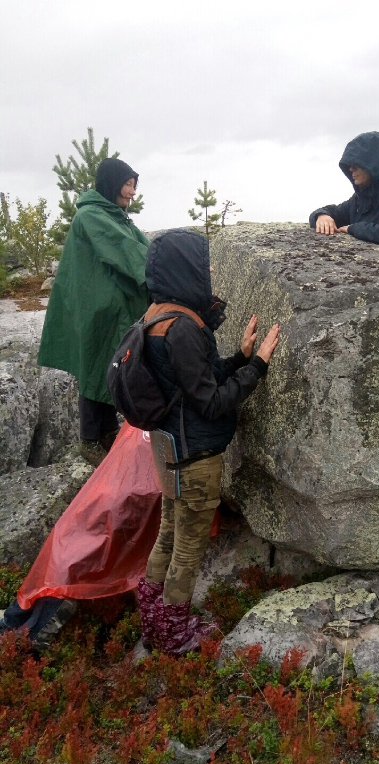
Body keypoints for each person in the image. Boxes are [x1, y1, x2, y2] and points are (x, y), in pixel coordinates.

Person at [136, 229, 280, 656]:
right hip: (195, 457)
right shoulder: (183, 327)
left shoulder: (157, 316)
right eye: (204, 263)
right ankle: (174, 633)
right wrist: (258, 367)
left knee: (167, 534)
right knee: (187, 547)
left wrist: (238, 358)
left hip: (169, 449)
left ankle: (153, 617)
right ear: (185, 267)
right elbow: (212, 402)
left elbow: (192, 381)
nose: (211, 270)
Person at [38, 158, 150, 465]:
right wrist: (162, 271)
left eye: (134, 186)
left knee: (110, 365)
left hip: (110, 307)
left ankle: (108, 431)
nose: (132, 192)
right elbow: (125, 250)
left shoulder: (114, 215)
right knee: (95, 366)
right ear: (112, 183)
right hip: (95, 309)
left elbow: (138, 246)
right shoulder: (91, 216)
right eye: (128, 185)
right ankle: (89, 439)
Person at [309, 131, 379, 254]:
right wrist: (322, 216)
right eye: (350, 164)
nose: (351, 169)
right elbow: (335, 212)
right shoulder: (361, 198)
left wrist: (353, 229)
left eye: (356, 164)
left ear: (373, 164)